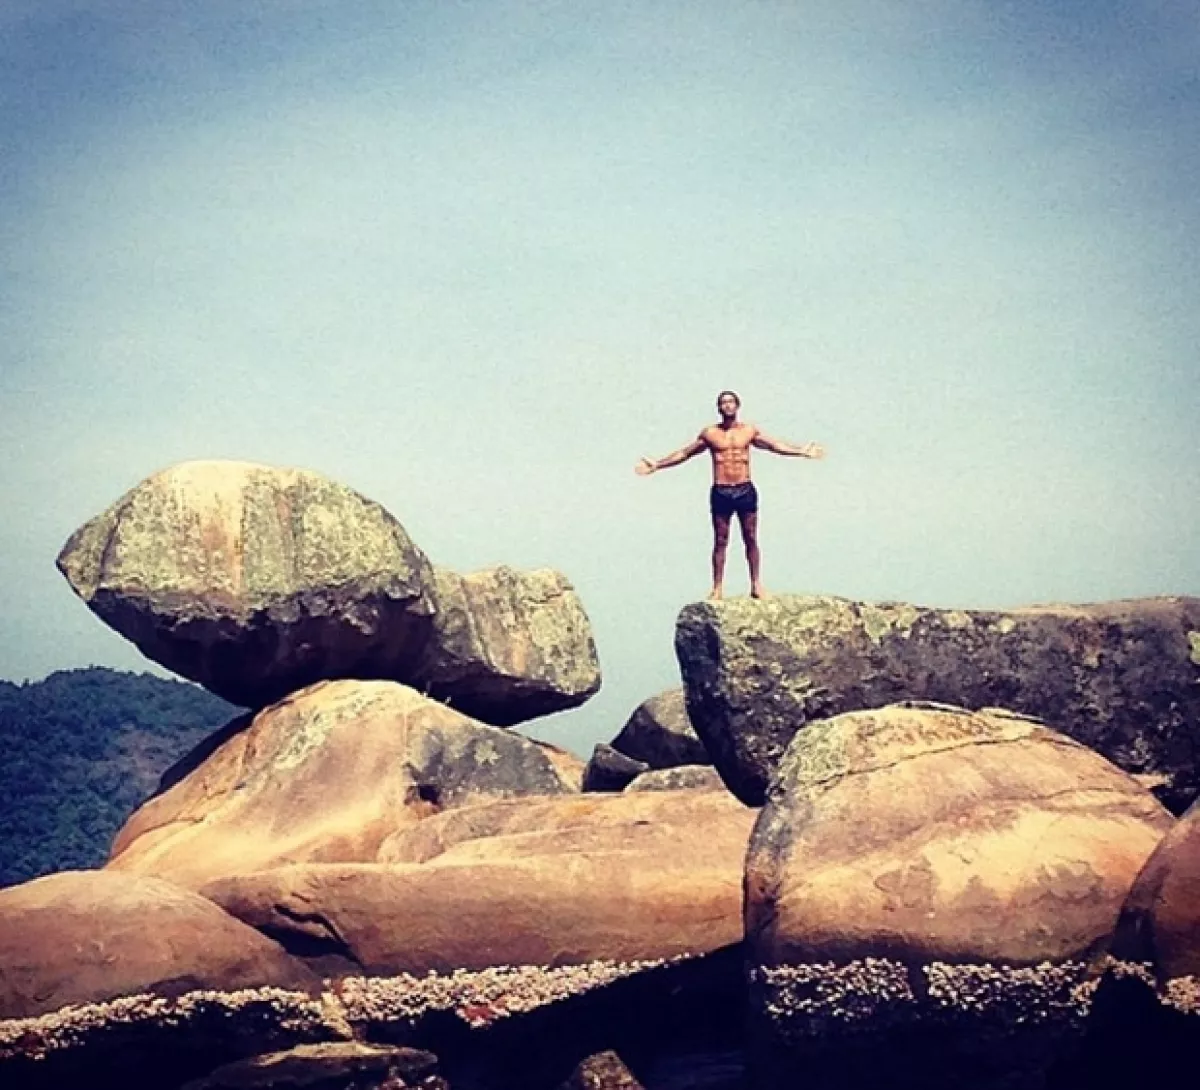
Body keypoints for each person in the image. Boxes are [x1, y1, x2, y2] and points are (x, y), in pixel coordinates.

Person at [635, 390, 825, 600]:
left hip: (744, 489)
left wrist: (800, 451)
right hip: (721, 490)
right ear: (718, 408)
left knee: (751, 538)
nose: (727, 406)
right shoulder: (710, 433)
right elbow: (685, 453)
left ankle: (756, 584)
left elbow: (773, 446)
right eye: (723, 403)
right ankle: (717, 588)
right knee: (720, 540)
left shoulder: (749, 431)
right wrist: (658, 464)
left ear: (737, 405)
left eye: (730, 402)